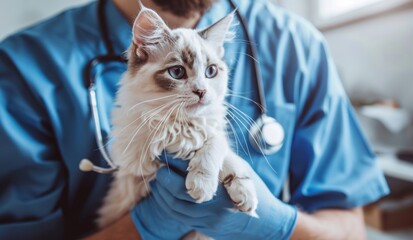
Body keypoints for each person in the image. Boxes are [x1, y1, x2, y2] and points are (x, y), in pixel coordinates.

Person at [0, 0, 389, 239]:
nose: (202, 89)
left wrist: (278, 227)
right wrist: (147, 227)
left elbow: (351, 230)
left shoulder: (295, 44)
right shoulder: (24, 67)